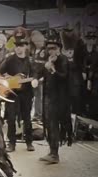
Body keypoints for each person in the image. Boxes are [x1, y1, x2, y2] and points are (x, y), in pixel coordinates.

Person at [0, 37, 38, 152]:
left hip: (26, 93)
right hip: (12, 93)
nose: (18, 48)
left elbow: (35, 74)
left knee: (27, 118)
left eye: (21, 46)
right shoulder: (10, 59)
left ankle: (29, 142)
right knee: (11, 118)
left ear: (25, 47)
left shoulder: (30, 61)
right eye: (17, 46)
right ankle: (11, 143)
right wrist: (6, 78)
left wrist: (34, 80)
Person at [39, 35, 72, 164]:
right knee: (48, 125)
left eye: (53, 48)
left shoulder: (63, 60)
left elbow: (64, 77)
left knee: (53, 125)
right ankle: (52, 151)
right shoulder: (49, 60)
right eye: (48, 48)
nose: (50, 51)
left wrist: (52, 70)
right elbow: (42, 73)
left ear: (59, 48)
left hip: (58, 100)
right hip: (48, 97)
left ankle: (55, 154)